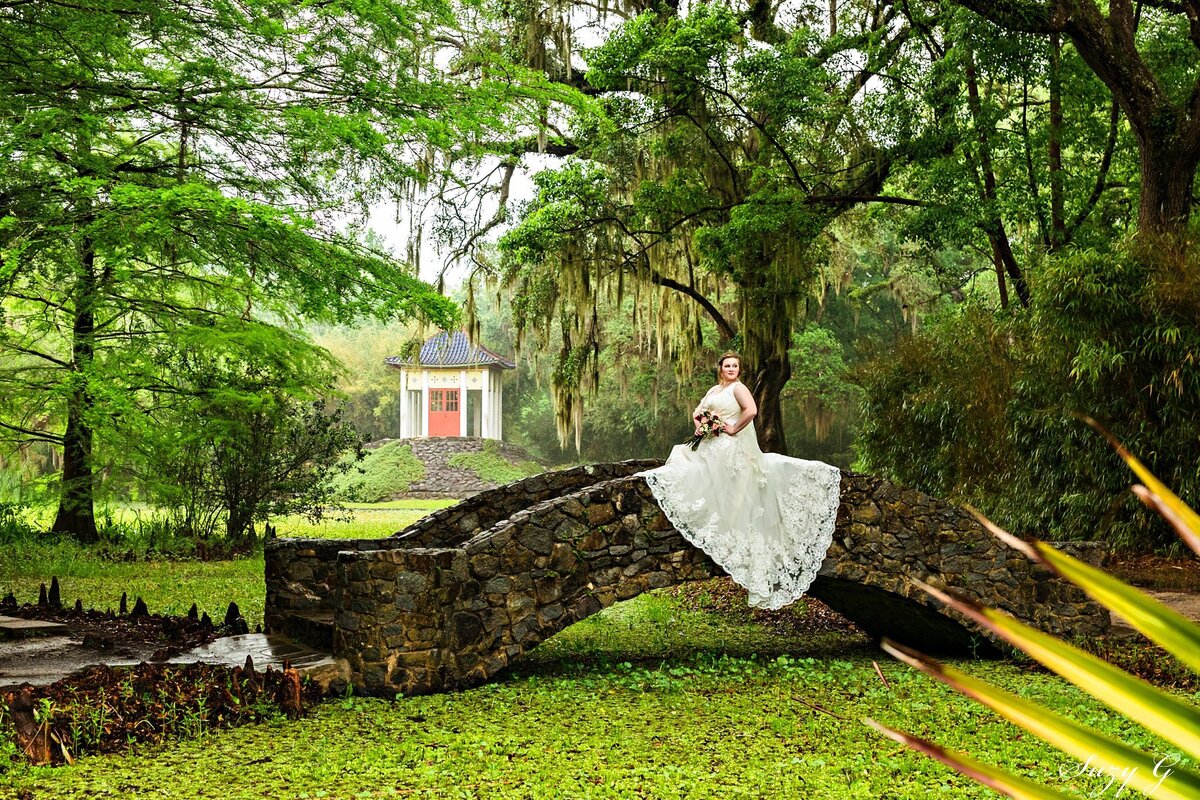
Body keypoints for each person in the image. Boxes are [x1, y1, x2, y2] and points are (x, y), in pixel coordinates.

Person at [639, 351, 842, 609]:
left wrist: (732, 428)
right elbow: (697, 412)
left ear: (738, 369)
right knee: (684, 459)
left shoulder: (739, 388)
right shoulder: (714, 390)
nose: (732, 369)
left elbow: (752, 410)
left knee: (703, 470)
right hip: (710, 441)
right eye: (728, 365)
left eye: (735, 365)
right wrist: (703, 424)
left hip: (731, 446)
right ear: (720, 368)